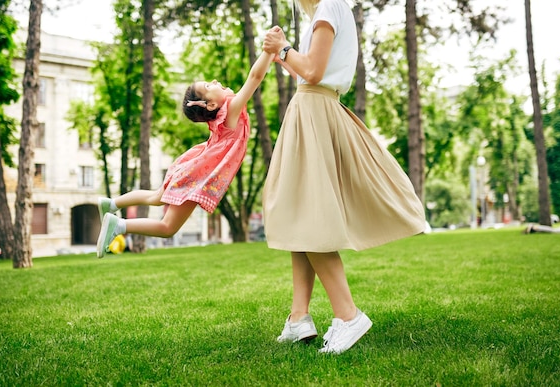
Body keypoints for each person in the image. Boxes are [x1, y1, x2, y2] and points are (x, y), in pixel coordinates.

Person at [262, 0, 426, 354]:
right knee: (298, 214)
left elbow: (314, 70)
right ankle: (298, 318)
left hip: (314, 109)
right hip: (314, 107)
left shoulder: (329, 7)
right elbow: (307, 70)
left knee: (307, 215)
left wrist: (284, 49)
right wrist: (283, 55)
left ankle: (348, 316)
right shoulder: (329, 11)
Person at [95, 49, 276, 258]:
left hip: (195, 165)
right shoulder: (231, 111)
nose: (215, 81)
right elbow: (255, 77)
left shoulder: (225, 113)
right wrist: (268, 51)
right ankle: (118, 225)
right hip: (198, 175)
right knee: (168, 227)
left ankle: (112, 204)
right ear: (211, 104)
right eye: (209, 85)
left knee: (156, 197)